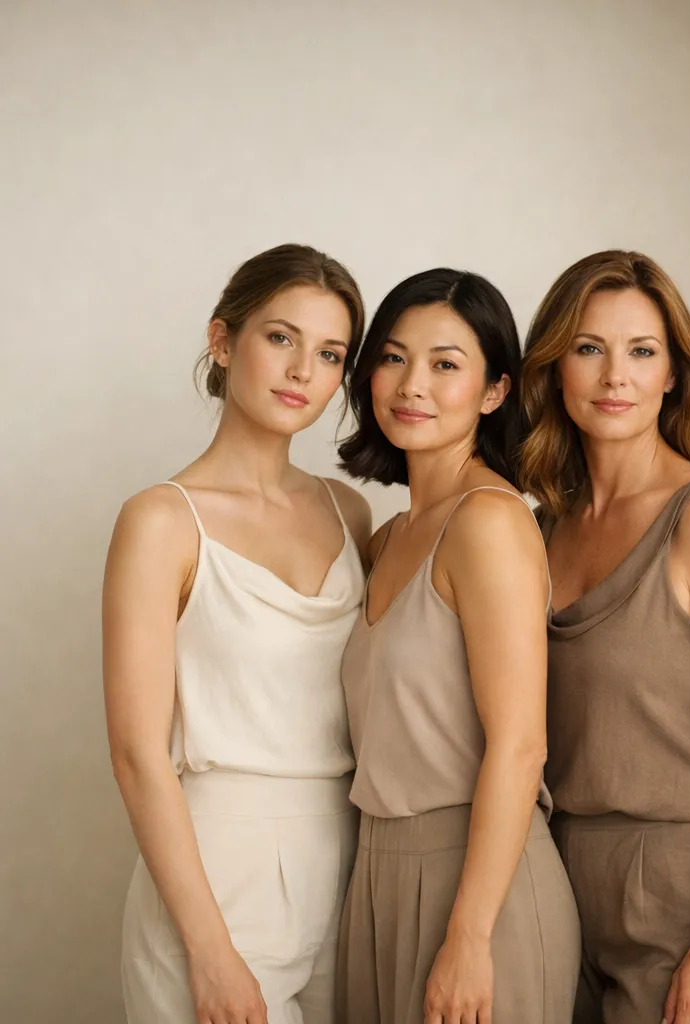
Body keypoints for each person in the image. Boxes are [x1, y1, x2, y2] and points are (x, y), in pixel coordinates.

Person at [519, 249, 690, 1024]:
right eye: (588, 349)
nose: (616, 377)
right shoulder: (542, 527)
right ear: (553, 367)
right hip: (560, 872)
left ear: (673, 374)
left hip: (686, 881)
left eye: (642, 352)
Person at [105, 243, 371, 1024]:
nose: (302, 372)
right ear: (223, 342)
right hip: (216, 874)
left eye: (330, 354)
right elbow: (134, 754)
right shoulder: (160, 521)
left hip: (347, 863)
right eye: (280, 338)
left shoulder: (347, 512)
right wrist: (211, 952)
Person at [335, 268, 580, 1024]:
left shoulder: (489, 522)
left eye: (445, 364)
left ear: (495, 392)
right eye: (394, 357)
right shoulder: (386, 537)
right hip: (375, 871)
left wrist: (470, 937)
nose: (412, 384)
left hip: (478, 885)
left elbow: (518, 744)